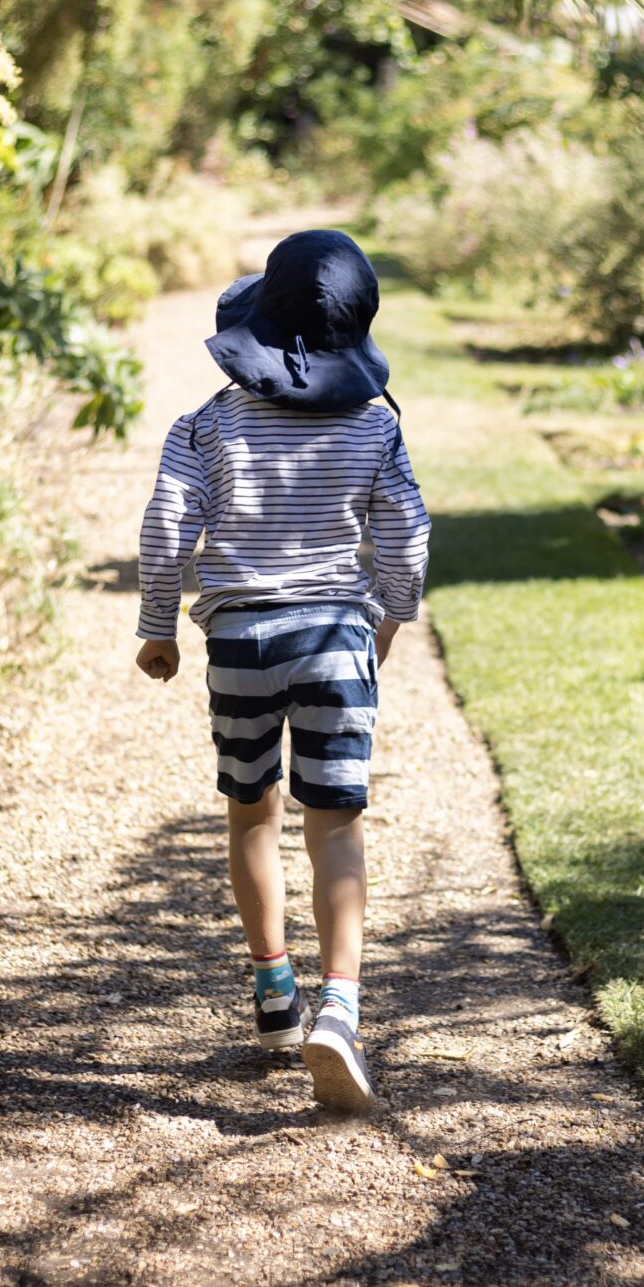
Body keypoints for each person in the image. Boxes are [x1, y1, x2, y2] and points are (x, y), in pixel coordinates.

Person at [132, 230, 431, 1113]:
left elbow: (162, 528)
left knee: (251, 816)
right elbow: (407, 534)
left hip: (240, 645)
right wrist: (390, 615)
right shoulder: (376, 426)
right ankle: (339, 1006)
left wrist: (159, 628)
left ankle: (273, 989)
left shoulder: (208, 424)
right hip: (336, 637)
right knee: (334, 828)